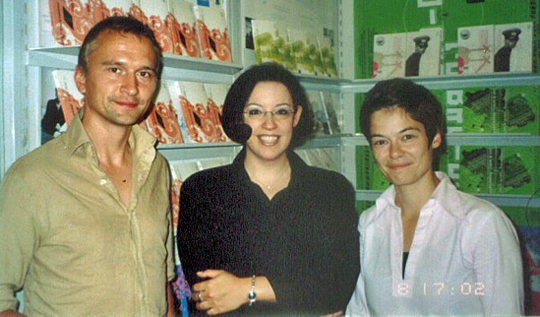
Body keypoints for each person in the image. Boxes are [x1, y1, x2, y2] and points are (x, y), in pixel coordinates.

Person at [0, 16, 176, 316]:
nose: (131, 87)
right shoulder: (33, 177)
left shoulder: (157, 167)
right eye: (115, 69)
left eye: (144, 73)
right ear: (81, 78)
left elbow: (161, 278)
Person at [177, 62, 359, 315]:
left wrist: (245, 289)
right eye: (255, 112)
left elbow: (335, 289)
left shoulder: (332, 190)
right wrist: (301, 295)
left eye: (281, 112)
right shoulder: (202, 191)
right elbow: (209, 293)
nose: (269, 124)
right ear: (238, 117)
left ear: (295, 117)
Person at [346, 78, 524, 315]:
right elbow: (360, 312)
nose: (395, 152)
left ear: (435, 138)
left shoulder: (481, 224)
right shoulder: (370, 224)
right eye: (381, 141)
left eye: (407, 137)